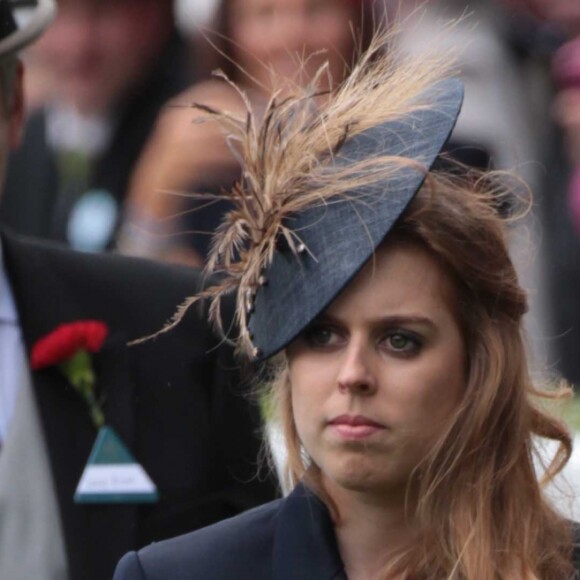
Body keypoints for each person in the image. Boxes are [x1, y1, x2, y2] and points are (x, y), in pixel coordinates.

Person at [114, 27, 580, 580]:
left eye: (400, 340)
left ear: (479, 364)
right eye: (323, 335)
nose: (353, 374)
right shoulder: (177, 576)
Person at [0, 3, 277, 580]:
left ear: (14, 105)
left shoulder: (175, 332)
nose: (79, 47)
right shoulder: (46, 164)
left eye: (102, 16)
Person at [118, 0, 378, 265]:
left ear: (357, 22)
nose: (291, 35)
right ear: (230, 31)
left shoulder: (394, 143)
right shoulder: (196, 140)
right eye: (265, 13)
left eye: (317, 9)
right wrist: (158, 184)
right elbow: (139, 289)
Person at [0, 0, 198, 252]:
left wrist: (156, 204)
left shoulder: (201, 134)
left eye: (103, 14)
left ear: (154, 17)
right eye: (59, 15)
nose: (78, 45)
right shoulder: (28, 142)